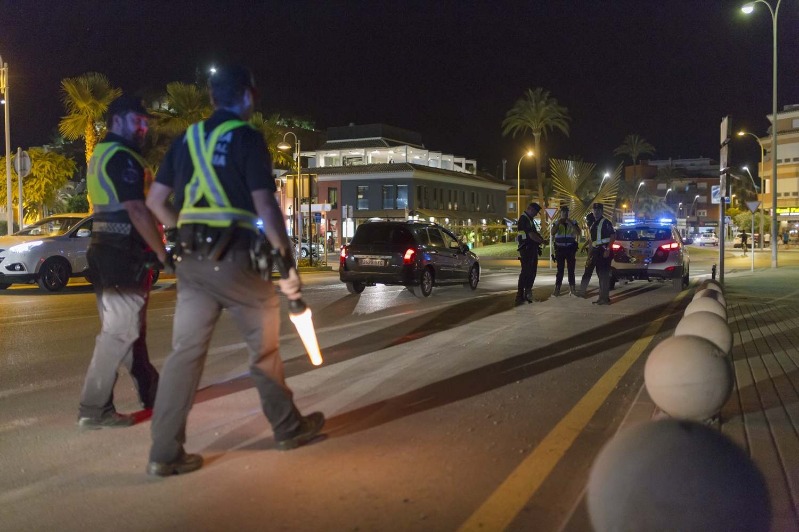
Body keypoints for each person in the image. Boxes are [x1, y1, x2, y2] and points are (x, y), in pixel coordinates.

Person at [145, 65, 324, 476]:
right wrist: (287, 264)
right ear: (246, 97)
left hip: (192, 263)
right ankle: (287, 427)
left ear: (211, 99)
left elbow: (156, 201)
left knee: (184, 357)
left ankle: (164, 452)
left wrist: (186, 229)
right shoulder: (246, 138)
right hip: (239, 261)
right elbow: (266, 207)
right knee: (263, 351)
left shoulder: (186, 140)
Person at [77, 95, 167, 429]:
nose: (144, 126)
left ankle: (153, 393)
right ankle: (93, 407)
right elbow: (137, 209)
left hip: (108, 251)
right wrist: (162, 252)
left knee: (131, 331)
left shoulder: (103, 154)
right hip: (121, 256)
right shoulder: (122, 158)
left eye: (146, 121)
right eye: (138, 120)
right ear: (118, 120)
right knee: (119, 332)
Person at [515, 202, 544, 305]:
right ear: (530, 209)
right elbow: (531, 235)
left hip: (530, 249)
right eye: (535, 212)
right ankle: (521, 295)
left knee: (531, 272)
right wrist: (541, 241)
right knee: (527, 272)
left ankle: (526, 293)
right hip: (526, 249)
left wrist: (539, 239)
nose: (536, 214)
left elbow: (533, 233)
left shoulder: (529, 219)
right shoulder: (524, 219)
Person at [588, 203, 616, 305]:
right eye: (595, 210)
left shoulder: (606, 222)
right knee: (600, 275)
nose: (596, 212)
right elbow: (592, 241)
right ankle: (602, 297)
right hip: (597, 252)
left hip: (604, 251)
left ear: (602, 211)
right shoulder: (593, 224)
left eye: (598, 210)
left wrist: (608, 249)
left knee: (604, 276)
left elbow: (613, 236)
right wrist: (589, 255)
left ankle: (604, 298)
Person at [551, 205, 581, 296]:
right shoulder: (556, 222)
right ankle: (557, 289)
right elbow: (552, 232)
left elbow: (578, 232)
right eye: (563, 212)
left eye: (566, 212)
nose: (565, 214)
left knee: (571, 269)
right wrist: (558, 224)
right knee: (560, 270)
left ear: (569, 213)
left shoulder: (573, 222)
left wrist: (571, 224)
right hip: (560, 249)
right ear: (560, 213)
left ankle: (572, 289)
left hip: (570, 249)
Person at [576, 211, 596, 298]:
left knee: (587, 273)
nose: (586, 223)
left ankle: (582, 291)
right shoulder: (595, 227)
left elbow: (592, 243)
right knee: (600, 274)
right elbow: (590, 240)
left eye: (587, 221)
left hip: (594, 253)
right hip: (599, 252)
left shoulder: (593, 227)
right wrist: (584, 246)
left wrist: (588, 257)